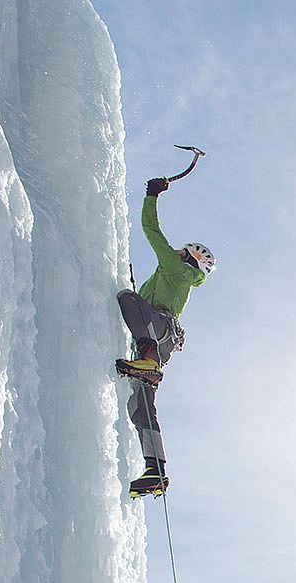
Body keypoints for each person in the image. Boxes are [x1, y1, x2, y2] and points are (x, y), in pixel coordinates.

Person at [115, 176, 214, 497]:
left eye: (182, 250)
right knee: (140, 405)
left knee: (127, 300)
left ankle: (147, 359)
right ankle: (155, 469)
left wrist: (151, 195)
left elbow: (152, 231)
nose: (176, 250)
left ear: (189, 257)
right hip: (162, 338)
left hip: (157, 334)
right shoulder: (176, 278)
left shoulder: (176, 268)